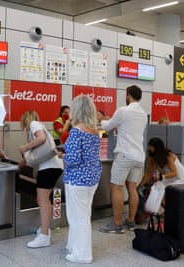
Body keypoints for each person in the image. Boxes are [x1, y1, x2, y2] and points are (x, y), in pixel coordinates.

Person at [99, 85, 147, 234]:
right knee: (132, 188)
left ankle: (117, 223)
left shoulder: (123, 111)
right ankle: (131, 221)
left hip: (125, 154)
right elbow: (127, 129)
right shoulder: (143, 114)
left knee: (116, 187)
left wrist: (102, 120)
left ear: (128, 95)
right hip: (139, 156)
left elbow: (107, 127)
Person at [62, 95, 102, 264]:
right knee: (84, 214)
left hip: (77, 179)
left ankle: (82, 254)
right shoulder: (94, 131)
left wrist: (62, 155)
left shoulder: (76, 131)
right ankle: (73, 245)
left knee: (78, 217)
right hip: (92, 178)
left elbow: (72, 159)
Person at [18, 110, 64, 248]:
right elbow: (30, 157)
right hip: (54, 166)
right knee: (43, 199)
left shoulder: (34, 124)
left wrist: (25, 147)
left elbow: (42, 138)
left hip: (48, 167)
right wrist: (19, 165)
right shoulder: (37, 127)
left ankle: (44, 235)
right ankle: (45, 230)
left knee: (42, 199)